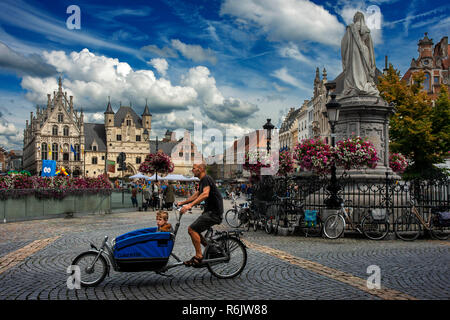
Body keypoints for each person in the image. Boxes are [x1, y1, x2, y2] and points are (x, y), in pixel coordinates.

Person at [177, 163, 223, 267]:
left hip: (214, 213)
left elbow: (205, 194)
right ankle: (212, 250)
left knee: (192, 229)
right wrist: (183, 203)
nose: (192, 170)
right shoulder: (203, 181)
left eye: (194, 168)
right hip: (210, 212)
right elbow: (197, 194)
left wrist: (190, 206)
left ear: (201, 169)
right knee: (196, 231)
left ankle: (199, 256)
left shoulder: (206, 178)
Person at [341, 11, 379, 96]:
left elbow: (344, 44)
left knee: (354, 71)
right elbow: (371, 48)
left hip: (353, 53)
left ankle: (355, 87)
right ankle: (364, 86)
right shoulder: (367, 31)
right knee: (364, 72)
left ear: (355, 18)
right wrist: (373, 65)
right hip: (365, 52)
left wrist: (344, 58)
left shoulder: (350, 28)